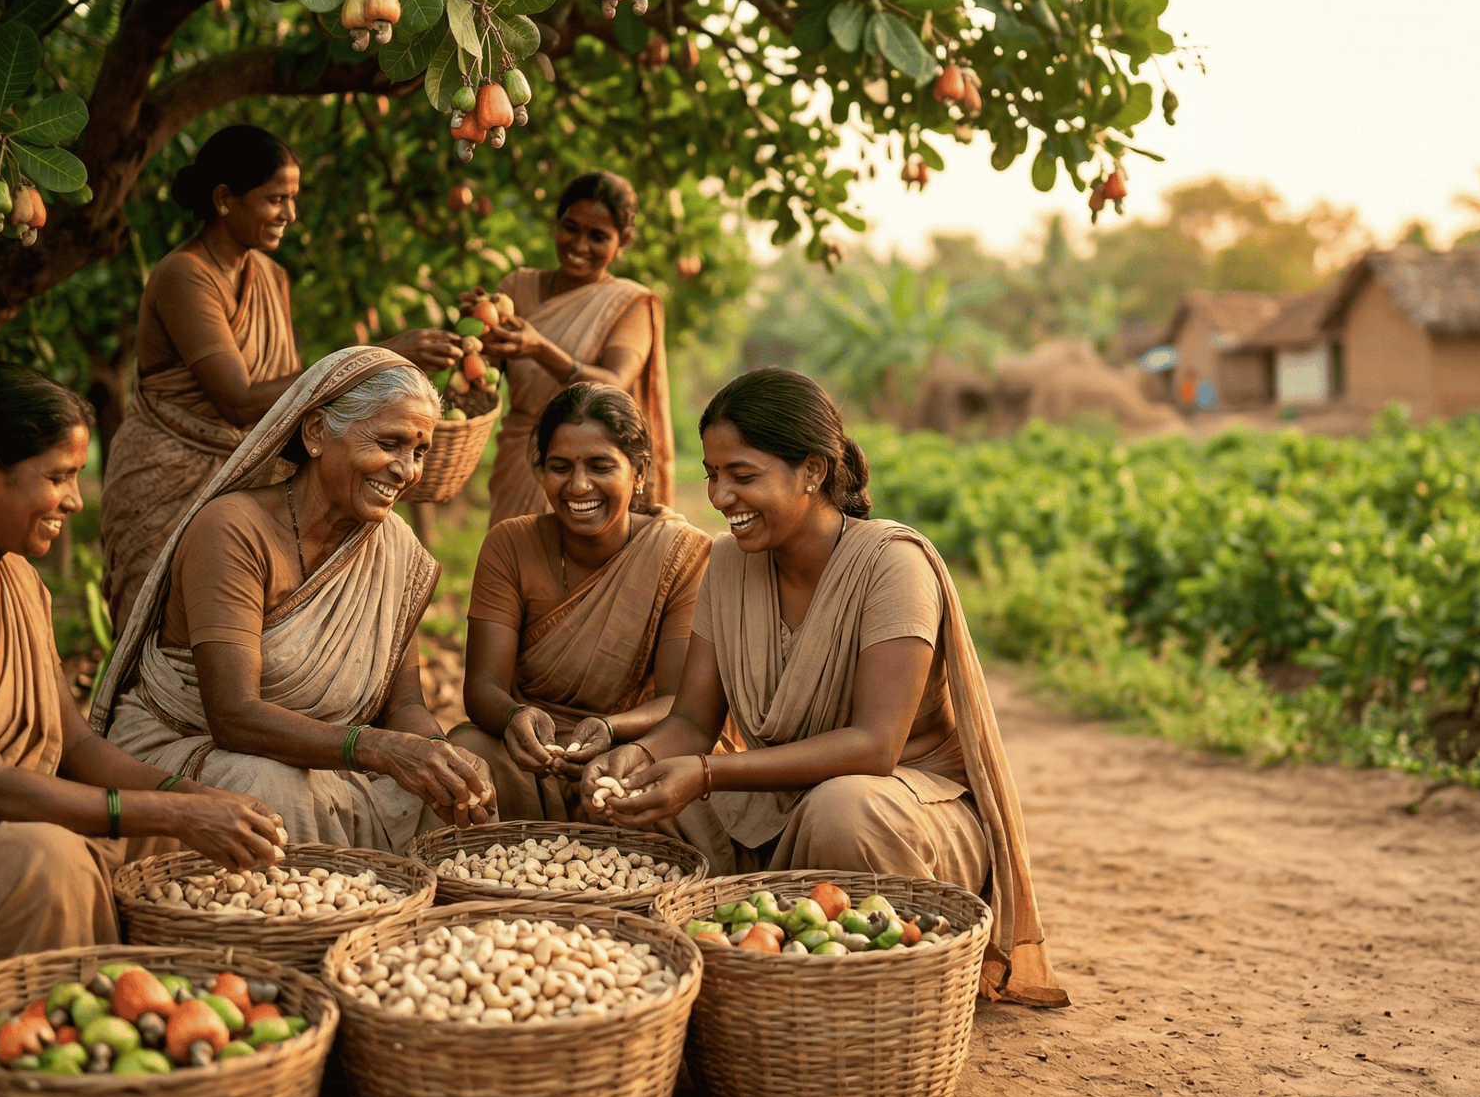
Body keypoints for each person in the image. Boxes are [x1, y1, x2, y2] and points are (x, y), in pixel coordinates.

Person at [583, 368, 1068, 1007]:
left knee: (844, 809)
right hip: (777, 801)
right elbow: (693, 724)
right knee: (643, 811)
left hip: (900, 810)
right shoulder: (727, 564)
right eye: (712, 474)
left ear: (812, 471)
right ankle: (727, 972)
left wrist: (704, 773)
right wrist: (638, 759)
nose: (722, 496)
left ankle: (875, 984)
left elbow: (875, 747)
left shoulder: (892, 565)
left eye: (743, 475)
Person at [94, 348, 495, 853]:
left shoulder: (396, 550)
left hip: (328, 759)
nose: (405, 470)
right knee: (271, 789)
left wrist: (437, 757)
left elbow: (406, 704)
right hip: (195, 746)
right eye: (388, 443)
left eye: (419, 452)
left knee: (455, 791)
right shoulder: (235, 530)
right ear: (315, 433)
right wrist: (380, 749)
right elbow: (234, 715)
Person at [0, 362, 283, 969]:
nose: (77, 501)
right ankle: (26, 1036)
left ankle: (171, 1011)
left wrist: (186, 795)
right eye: (58, 477)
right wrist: (173, 809)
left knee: (173, 845)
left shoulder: (22, 584)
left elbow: (77, 744)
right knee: (49, 862)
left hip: (11, 819)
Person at [101, 125, 462, 632]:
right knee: (160, 629)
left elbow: (290, 400)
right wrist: (381, 352)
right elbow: (240, 400)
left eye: (293, 199)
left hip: (247, 477)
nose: (290, 214)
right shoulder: (183, 275)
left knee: (238, 629)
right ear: (225, 198)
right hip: (169, 474)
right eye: (276, 199)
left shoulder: (273, 278)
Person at [453, 383, 711, 820]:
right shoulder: (510, 544)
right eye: (560, 467)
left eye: (600, 466)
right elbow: (481, 687)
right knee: (467, 751)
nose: (578, 485)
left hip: (633, 754)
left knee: (675, 789)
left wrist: (611, 731)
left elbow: (679, 703)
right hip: (531, 755)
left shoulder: (681, 556)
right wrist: (516, 717)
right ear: (541, 471)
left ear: (640, 470)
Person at [479, 172, 675, 524]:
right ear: (557, 224)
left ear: (624, 240)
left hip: (588, 467)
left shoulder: (630, 304)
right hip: (520, 461)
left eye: (598, 236)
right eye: (571, 228)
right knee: (515, 567)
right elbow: (482, 382)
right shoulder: (517, 287)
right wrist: (475, 335)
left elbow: (614, 382)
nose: (580, 245)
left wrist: (541, 349)